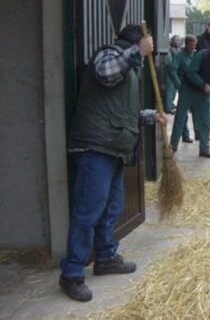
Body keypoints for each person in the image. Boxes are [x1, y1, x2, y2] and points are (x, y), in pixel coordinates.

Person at [60, 24, 166, 302]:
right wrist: (136, 52)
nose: (148, 47)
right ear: (134, 41)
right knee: (88, 211)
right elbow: (106, 74)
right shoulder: (108, 55)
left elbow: (124, 112)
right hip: (95, 146)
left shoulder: (130, 69)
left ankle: (106, 258)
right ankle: (71, 273)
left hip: (114, 148)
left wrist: (150, 115)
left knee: (112, 208)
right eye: (146, 42)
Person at [167, 35, 198, 144]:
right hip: (184, 87)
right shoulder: (180, 56)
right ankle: (184, 135)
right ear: (186, 44)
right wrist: (177, 83)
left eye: (194, 45)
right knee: (182, 113)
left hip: (195, 87)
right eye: (190, 45)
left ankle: (195, 134)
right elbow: (172, 68)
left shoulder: (195, 55)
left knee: (196, 111)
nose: (192, 47)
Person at [164, 35, 182, 114]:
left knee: (174, 92)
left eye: (179, 40)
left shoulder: (179, 50)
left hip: (177, 74)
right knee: (170, 91)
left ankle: (171, 105)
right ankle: (168, 108)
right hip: (170, 74)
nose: (178, 42)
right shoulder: (170, 50)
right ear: (173, 41)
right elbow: (168, 62)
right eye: (177, 40)